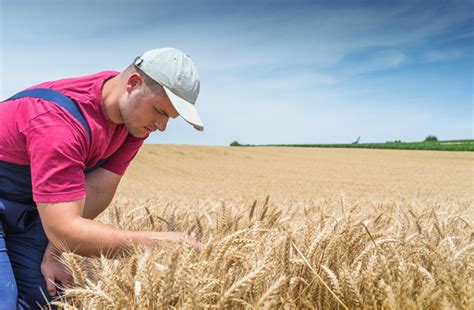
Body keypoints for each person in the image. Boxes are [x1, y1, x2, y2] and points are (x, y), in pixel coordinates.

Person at [0, 47, 204, 309]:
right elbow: (64, 228)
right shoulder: (58, 123)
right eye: (160, 111)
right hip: (28, 204)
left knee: (45, 300)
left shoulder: (133, 123)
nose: (162, 127)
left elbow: (98, 190)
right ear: (133, 84)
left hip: (28, 209)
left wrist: (56, 250)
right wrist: (156, 244)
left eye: (170, 119)